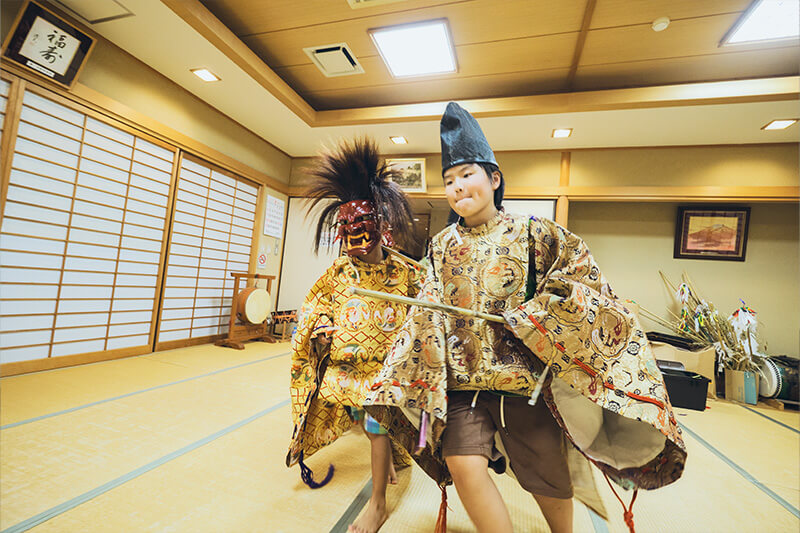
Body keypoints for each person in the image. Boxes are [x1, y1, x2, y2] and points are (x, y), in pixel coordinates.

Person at [364, 102, 687, 533]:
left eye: (466, 175)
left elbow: (582, 281)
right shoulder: (441, 246)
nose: (457, 187)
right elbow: (427, 305)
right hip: (465, 386)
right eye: (449, 180)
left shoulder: (537, 232)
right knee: (461, 461)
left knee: (547, 479)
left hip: (528, 384)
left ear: (493, 179)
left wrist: (536, 316)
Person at [286, 137, 420, 533]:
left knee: (377, 418)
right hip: (346, 367)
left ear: (382, 227)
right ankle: (388, 458)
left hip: (388, 370)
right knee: (359, 413)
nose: (355, 239)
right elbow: (315, 307)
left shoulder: (408, 275)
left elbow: (427, 315)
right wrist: (319, 328)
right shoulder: (337, 275)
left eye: (362, 227)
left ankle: (377, 503)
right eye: (347, 229)